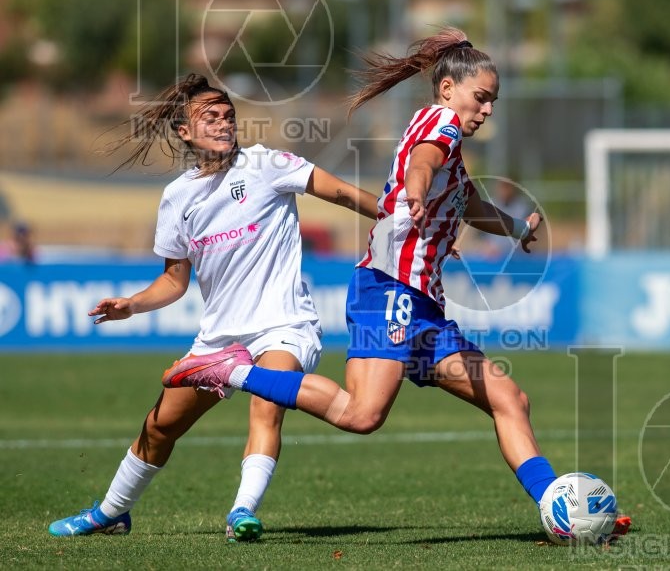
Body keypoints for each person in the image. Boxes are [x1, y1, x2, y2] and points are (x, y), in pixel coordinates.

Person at [161, 28, 630, 537]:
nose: (487, 109)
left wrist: (516, 228)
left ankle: (559, 511)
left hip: (421, 303)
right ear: (448, 90)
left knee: (509, 398)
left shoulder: (449, 146)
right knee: (362, 414)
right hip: (389, 289)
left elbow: (469, 204)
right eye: (482, 97)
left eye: (493, 100)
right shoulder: (441, 123)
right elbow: (424, 160)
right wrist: (416, 189)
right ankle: (229, 370)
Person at [48, 73, 380, 539]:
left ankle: (241, 512)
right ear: (184, 132)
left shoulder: (267, 164)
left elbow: (344, 193)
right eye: (210, 118)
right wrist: (132, 305)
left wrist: (398, 222)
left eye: (228, 117)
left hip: (283, 324)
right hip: (220, 338)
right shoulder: (178, 198)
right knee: (160, 425)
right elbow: (174, 279)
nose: (224, 125)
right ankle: (110, 512)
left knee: (268, 402)